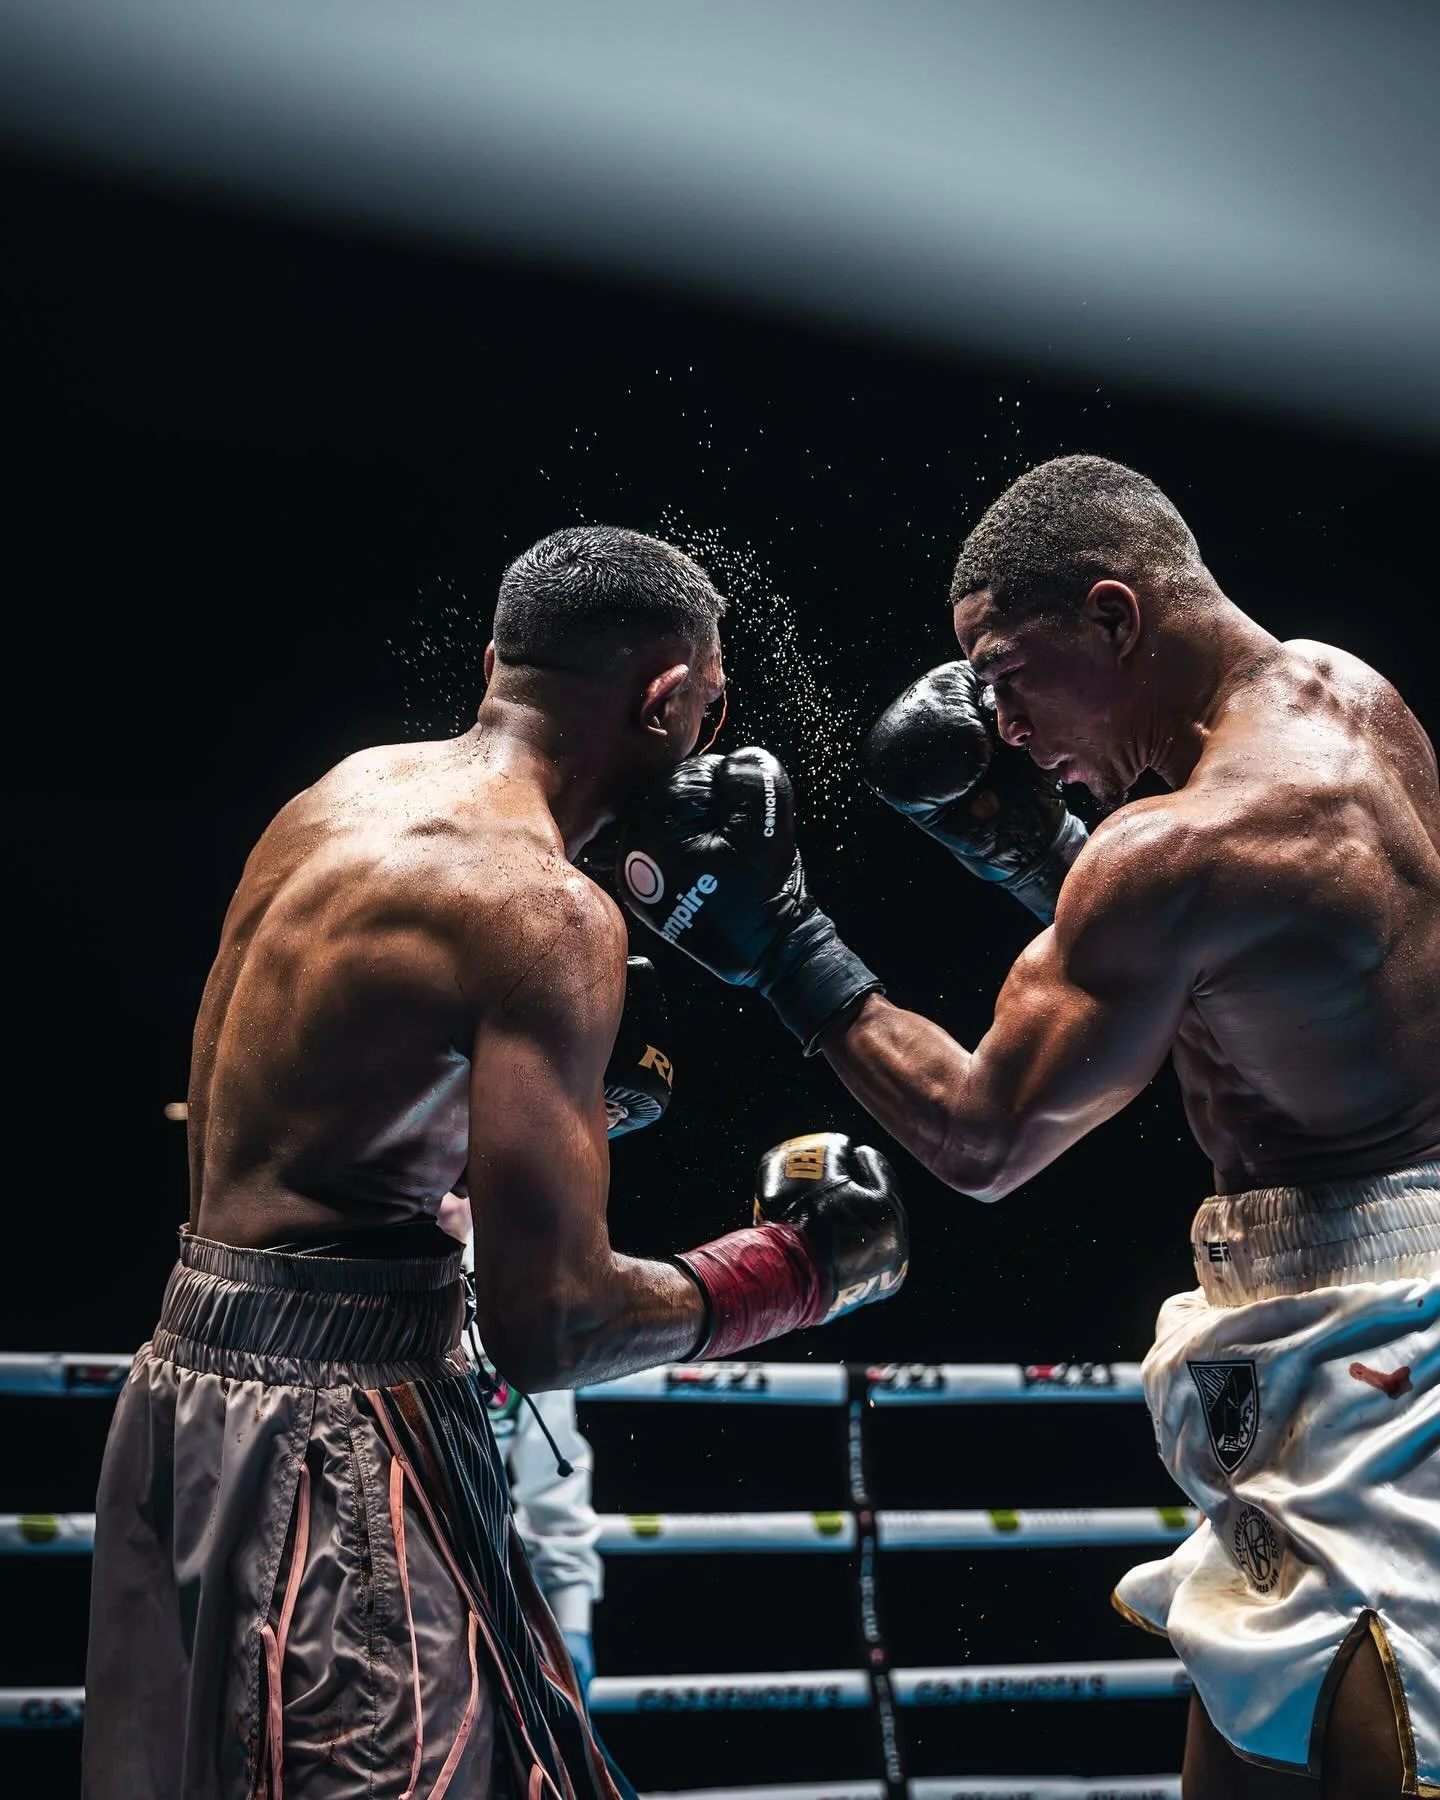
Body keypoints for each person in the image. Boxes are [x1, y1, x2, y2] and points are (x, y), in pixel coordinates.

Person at [616, 458, 1440, 1799]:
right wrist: (1029, 844)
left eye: (1009, 676)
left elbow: (985, 1139)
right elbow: (1236, 978)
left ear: (1115, 617)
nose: (993, 720)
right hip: (1360, 1302)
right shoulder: (1349, 700)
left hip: (1369, 1359)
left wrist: (788, 956)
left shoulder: (1174, 851)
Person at [82, 525, 908, 1800]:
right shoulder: (540, 912)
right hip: (338, 1441)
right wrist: (797, 1269)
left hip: (185, 1402)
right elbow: (556, 1327)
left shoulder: (340, 797)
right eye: (711, 707)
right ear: (667, 697)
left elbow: (306, 1144)